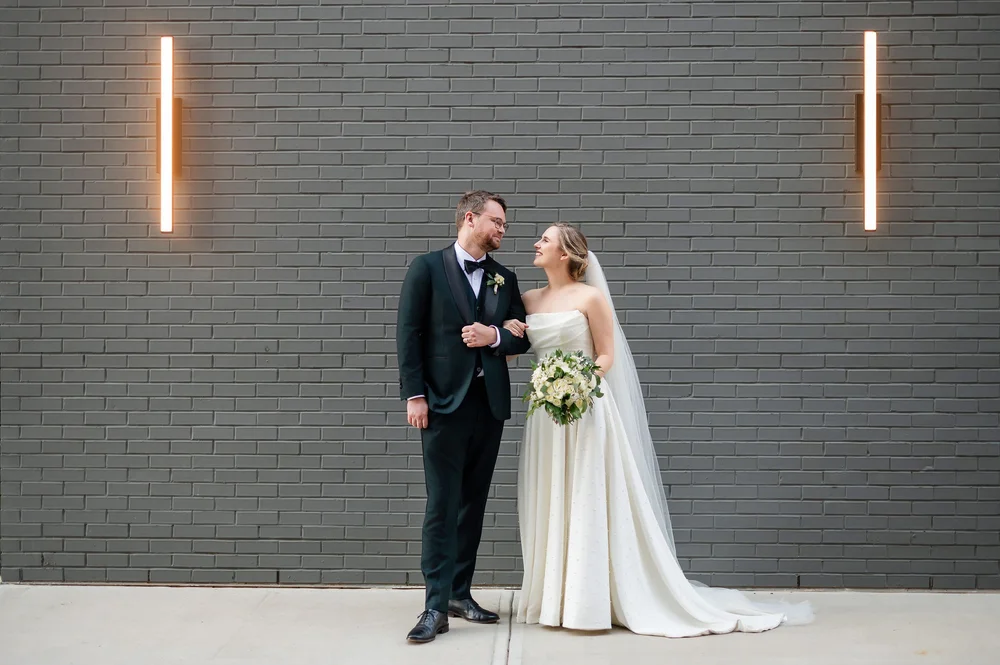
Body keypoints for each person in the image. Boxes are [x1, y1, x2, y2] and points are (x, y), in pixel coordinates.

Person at [502, 223, 814, 637]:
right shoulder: (527, 300)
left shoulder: (591, 297)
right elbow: (510, 346)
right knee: (552, 494)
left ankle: (590, 599)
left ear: (565, 253)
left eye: (545, 239)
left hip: (586, 407)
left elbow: (607, 354)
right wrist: (509, 332)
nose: (536, 244)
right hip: (546, 414)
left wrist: (579, 383)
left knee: (587, 494)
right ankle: (553, 596)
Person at [396, 191, 533, 644]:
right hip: (439, 406)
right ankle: (434, 606)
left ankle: (460, 592)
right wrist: (415, 396)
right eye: (496, 222)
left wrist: (493, 335)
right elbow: (409, 334)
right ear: (469, 218)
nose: (502, 230)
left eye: (504, 226)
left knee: (473, 503)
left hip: (488, 407)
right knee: (442, 504)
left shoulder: (504, 277)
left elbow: (520, 337)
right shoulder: (427, 269)